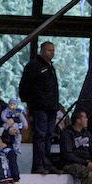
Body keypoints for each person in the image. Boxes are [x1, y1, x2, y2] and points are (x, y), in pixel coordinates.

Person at [18, 41, 60, 174]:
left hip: (51, 107)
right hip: (40, 107)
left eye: (53, 50)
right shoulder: (33, 66)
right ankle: (38, 165)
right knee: (40, 136)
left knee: (49, 135)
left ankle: (46, 163)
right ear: (42, 51)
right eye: (49, 50)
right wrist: (31, 104)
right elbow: (24, 87)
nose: (51, 53)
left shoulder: (50, 67)